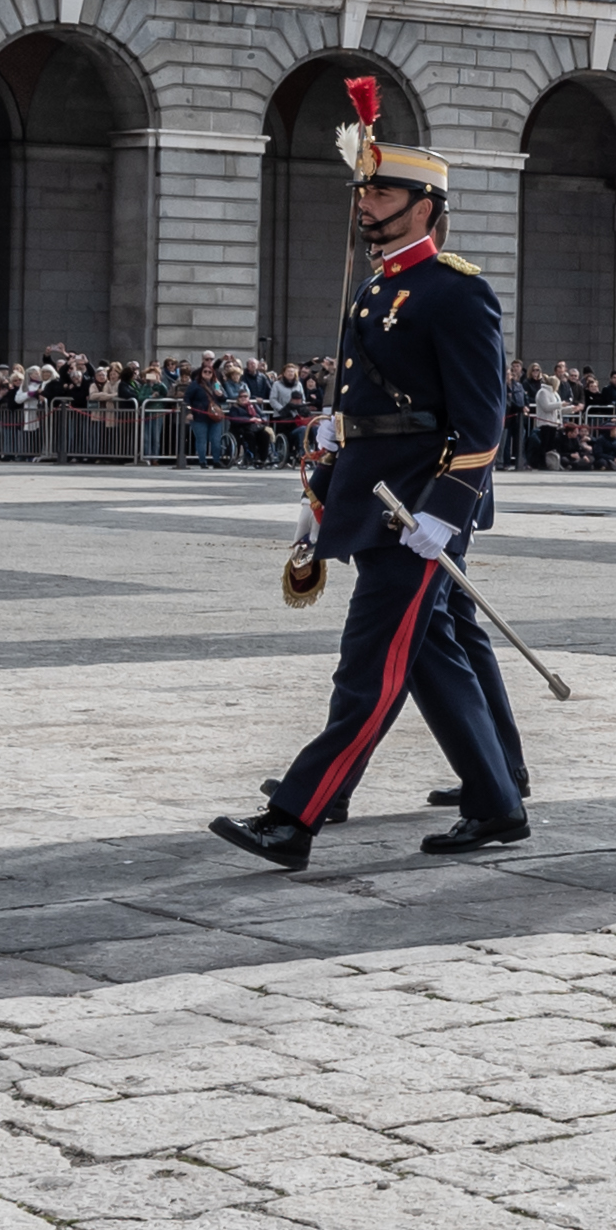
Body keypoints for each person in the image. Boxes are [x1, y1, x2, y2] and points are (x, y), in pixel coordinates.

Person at [209, 120, 523, 871]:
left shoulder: (456, 291)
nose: (367, 202)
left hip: (417, 509)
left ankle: (296, 816)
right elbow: (381, 399)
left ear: (426, 204)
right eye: (364, 189)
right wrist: (333, 436)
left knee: (370, 665)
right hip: (376, 499)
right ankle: (496, 800)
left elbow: (483, 420)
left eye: (382, 190)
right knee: (429, 658)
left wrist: (446, 513)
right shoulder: (379, 283)